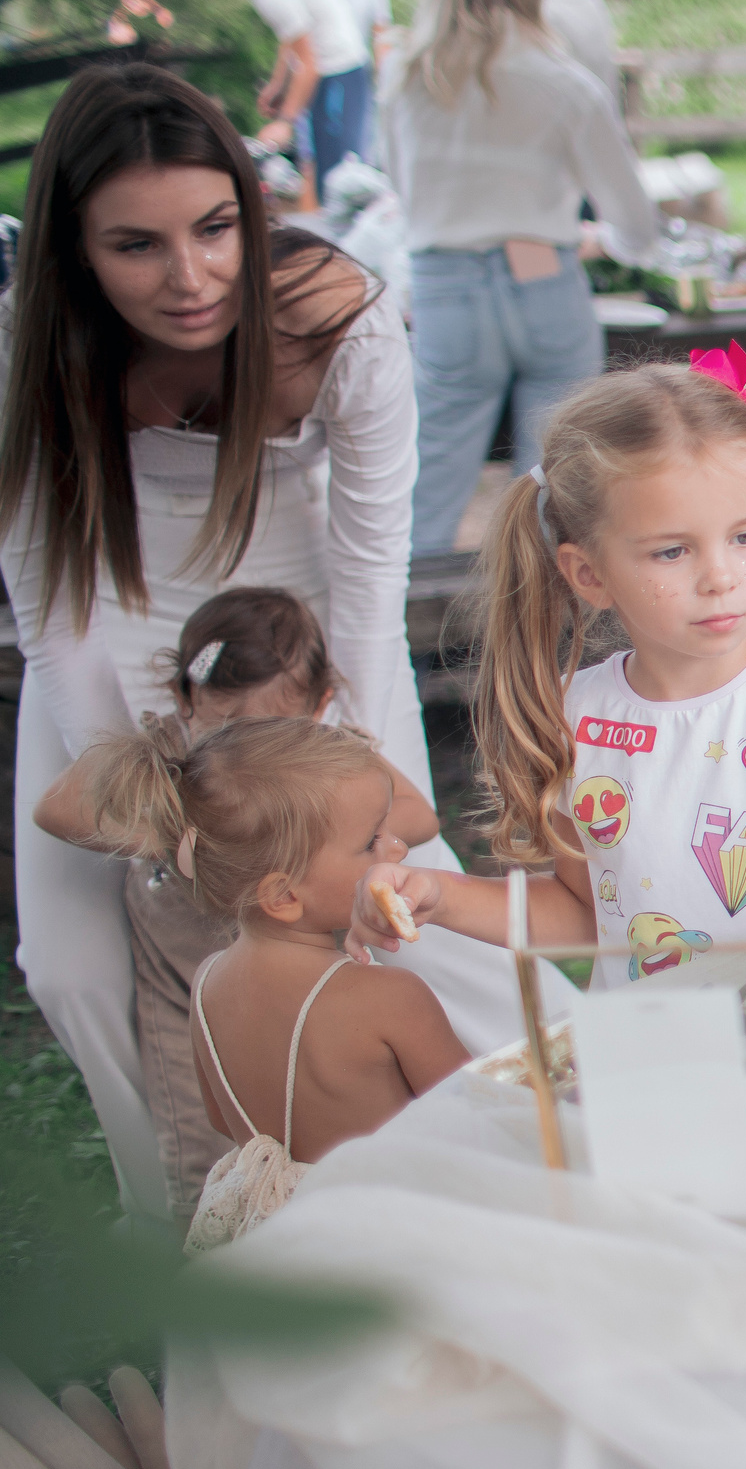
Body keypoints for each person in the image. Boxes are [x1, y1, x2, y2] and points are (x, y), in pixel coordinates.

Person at [0, 64, 554, 1216]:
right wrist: (161, 805)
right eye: (136, 245)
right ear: (75, 253)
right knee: (71, 959)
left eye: (215, 228)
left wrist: (335, 760)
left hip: (301, 600)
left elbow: (368, 574)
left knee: (392, 886)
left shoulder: (338, 311)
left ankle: (498, 1148)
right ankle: (181, 1210)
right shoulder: (27, 335)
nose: (192, 276)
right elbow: (47, 598)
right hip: (111, 596)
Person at [349, 357, 746, 976]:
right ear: (590, 575)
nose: (721, 577)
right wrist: (438, 895)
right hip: (647, 1054)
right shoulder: (577, 716)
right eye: (672, 551)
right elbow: (588, 917)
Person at [31, 587, 437, 1222]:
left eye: (272, 730)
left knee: (325, 1110)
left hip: (306, 981)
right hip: (186, 980)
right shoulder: (173, 752)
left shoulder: (324, 765)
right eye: (223, 728)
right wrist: (191, 843)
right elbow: (55, 806)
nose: (242, 750)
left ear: (319, 707)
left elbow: (419, 813)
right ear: (185, 700)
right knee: (201, 1151)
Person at [74, 715, 466, 1252]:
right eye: (372, 841)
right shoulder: (391, 998)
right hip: (389, 1234)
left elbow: (222, 1117)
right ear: (283, 896)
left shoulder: (207, 983)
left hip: (276, 1238)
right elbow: (476, 1112)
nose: (397, 848)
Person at [380, 0, 657, 556]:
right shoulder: (563, 81)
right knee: (554, 484)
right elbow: (636, 221)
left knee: (429, 482)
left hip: (445, 285)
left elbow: (403, 190)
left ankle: (408, 638)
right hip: (545, 282)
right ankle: (542, 637)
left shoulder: (404, 77)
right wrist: (603, 240)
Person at [178, 0, 370, 193]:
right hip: (329, 71)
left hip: (339, 70)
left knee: (339, 181)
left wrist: (285, 122)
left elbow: (308, 62)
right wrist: (278, 84)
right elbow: (292, 38)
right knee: (325, 176)